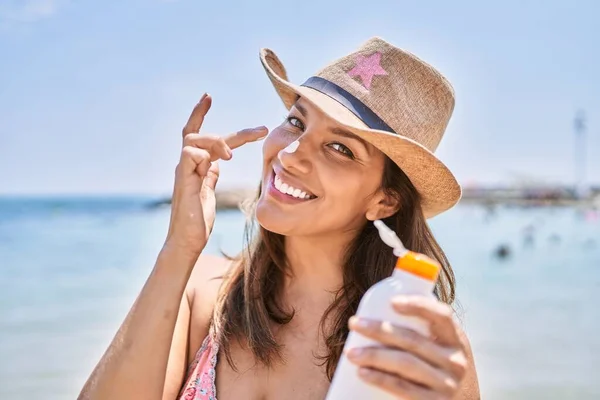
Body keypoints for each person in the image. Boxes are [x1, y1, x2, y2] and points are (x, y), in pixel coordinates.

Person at [79, 37, 480, 400]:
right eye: (296, 122)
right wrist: (178, 249)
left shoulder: (410, 341)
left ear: (385, 201)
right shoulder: (200, 290)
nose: (289, 155)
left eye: (339, 148)